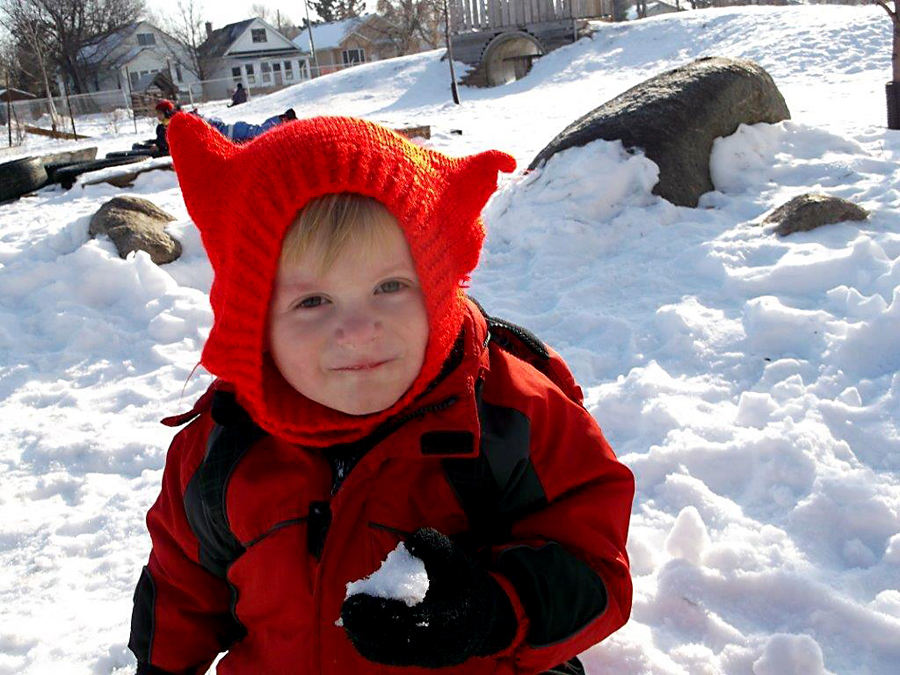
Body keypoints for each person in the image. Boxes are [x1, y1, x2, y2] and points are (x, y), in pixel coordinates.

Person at [127, 112, 635, 674]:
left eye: (390, 287)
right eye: (312, 302)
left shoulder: (510, 417)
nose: (359, 330)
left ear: (438, 287)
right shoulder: (219, 450)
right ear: (254, 320)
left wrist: (492, 611)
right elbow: (181, 589)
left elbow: (595, 564)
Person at [202, 107, 297, 143]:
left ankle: (285, 119)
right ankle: (283, 119)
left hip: (233, 133)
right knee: (258, 131)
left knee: (259, 133)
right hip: (234, 131)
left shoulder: (198, 126)